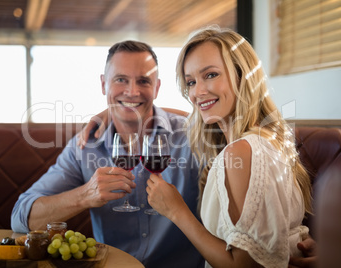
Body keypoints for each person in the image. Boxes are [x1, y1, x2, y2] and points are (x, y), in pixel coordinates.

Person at [11, 40, 204, 268]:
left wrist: (114, 108)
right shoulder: (84, 147)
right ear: (103, 84)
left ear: (157, 88)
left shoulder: (191, 136)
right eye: (121, 80)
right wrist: (85, 195)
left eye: (143, 81)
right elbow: (21, 218)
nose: (132, 92)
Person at [145, 26, 313, 267]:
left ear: (243, 76)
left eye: (211, 75)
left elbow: (242, 266)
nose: (198, 92)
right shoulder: (268, 139)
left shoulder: (241, 152)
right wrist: (115, 112)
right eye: (191, 82)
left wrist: (176, 211)